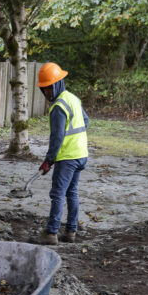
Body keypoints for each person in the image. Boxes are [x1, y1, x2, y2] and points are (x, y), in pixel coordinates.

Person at [36, 62, 89, 244]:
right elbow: (86, 121)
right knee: (72, 192)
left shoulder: (58, 106)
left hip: (67, 157)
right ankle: (70, 232)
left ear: (58, 84)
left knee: (57, 194)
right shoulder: (73, 99)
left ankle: (51, 233)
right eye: (45, 89)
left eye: (50, 88)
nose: (48, 93)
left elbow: (57, 137)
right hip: (81, 154)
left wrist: (49, 160)